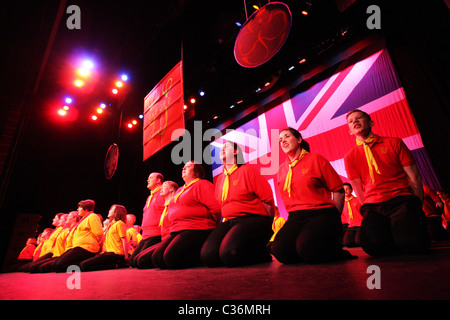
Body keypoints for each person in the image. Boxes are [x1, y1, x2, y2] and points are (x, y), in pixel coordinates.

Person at [344, 109, 429, 256]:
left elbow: (414, 177)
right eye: (351, 121)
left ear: (371, 123)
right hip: (374, 205)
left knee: (410, 243)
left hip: (401, 199)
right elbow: (358, 189)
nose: (355, 121)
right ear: (350, 131)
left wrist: (416, 205)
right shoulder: (350, 156)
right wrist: (369, 208)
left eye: (359, 118)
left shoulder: (394, 143)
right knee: (373, 247)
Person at [271, 127, 352, 264]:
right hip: (296, 216)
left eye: (287, 136)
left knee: (308, 248)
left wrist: (334, 218)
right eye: (280, 139)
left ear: (299, 139)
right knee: (280, 251)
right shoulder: (282, 169)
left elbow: (338, 190)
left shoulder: (315, 159)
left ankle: (333, 250)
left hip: (321, 213)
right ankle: (308, 251)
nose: (283, 140)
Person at [201, 141, 275, 267]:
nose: (223, 149)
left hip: (251, 218)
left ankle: (261, 254)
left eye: (227, 147)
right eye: (221, 148)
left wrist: (266, 225)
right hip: (229, 221)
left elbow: (268, 200)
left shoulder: (247, 171)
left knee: (229, 253)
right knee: (208, 256)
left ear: (236, 152)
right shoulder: (220, 179)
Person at [151, 161, 220, 269]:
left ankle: (200, 256)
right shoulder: (180, 190)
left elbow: (216, 210)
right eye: (183, 167)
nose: (183, 169)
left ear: (196, 171)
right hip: (177, 230)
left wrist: (210, 228)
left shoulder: (202, 184)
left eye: (187, 167)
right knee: (157, 258)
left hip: (196, 228)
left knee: (170, 258)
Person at [136, 180, 179, 269]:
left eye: (164, 186)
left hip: (170, 238)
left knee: (144, 261)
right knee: (137, 259)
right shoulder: (165, 207)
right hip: (163, 239)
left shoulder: (175, 204)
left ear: (171, 189)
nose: (161, 189)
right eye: (161, 187)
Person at [53, 199, 103, 272]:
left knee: (59, 265)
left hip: (87, 248)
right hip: (78, 247)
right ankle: (84, 265)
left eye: (79, 208)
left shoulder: (93, 217)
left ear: (85, 209)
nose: (77, 209)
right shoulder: (83, 219)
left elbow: (99, 235)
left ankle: (86, 265)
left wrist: (97, 248)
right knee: (55, 264)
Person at [129, 172, 165, 267]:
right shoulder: (150, 196)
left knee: (140, 262)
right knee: (132, 262)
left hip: (156, 234)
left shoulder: (163, 192)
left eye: (151, 178)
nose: (147, 180)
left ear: (158, 180)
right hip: (146, 235)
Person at [80, 205, 129, 271]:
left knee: (84, 265)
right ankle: (116, 265)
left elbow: (124, 240)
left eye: (111, 209)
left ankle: (117, 265)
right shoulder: (111, 225)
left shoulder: (119, 223)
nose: (109, 211)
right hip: (108, 253)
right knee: (83, 265)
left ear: (116, 212)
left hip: (116, 254)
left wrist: (126, 257)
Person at [342, 183, 363, 247]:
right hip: (350, 226)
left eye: (347, 189)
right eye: (343, 189)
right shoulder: (341, 202)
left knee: (358, 242)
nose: (345, 191)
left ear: (351, 190)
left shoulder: (358, 200)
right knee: (347, 243)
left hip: (360, 225)